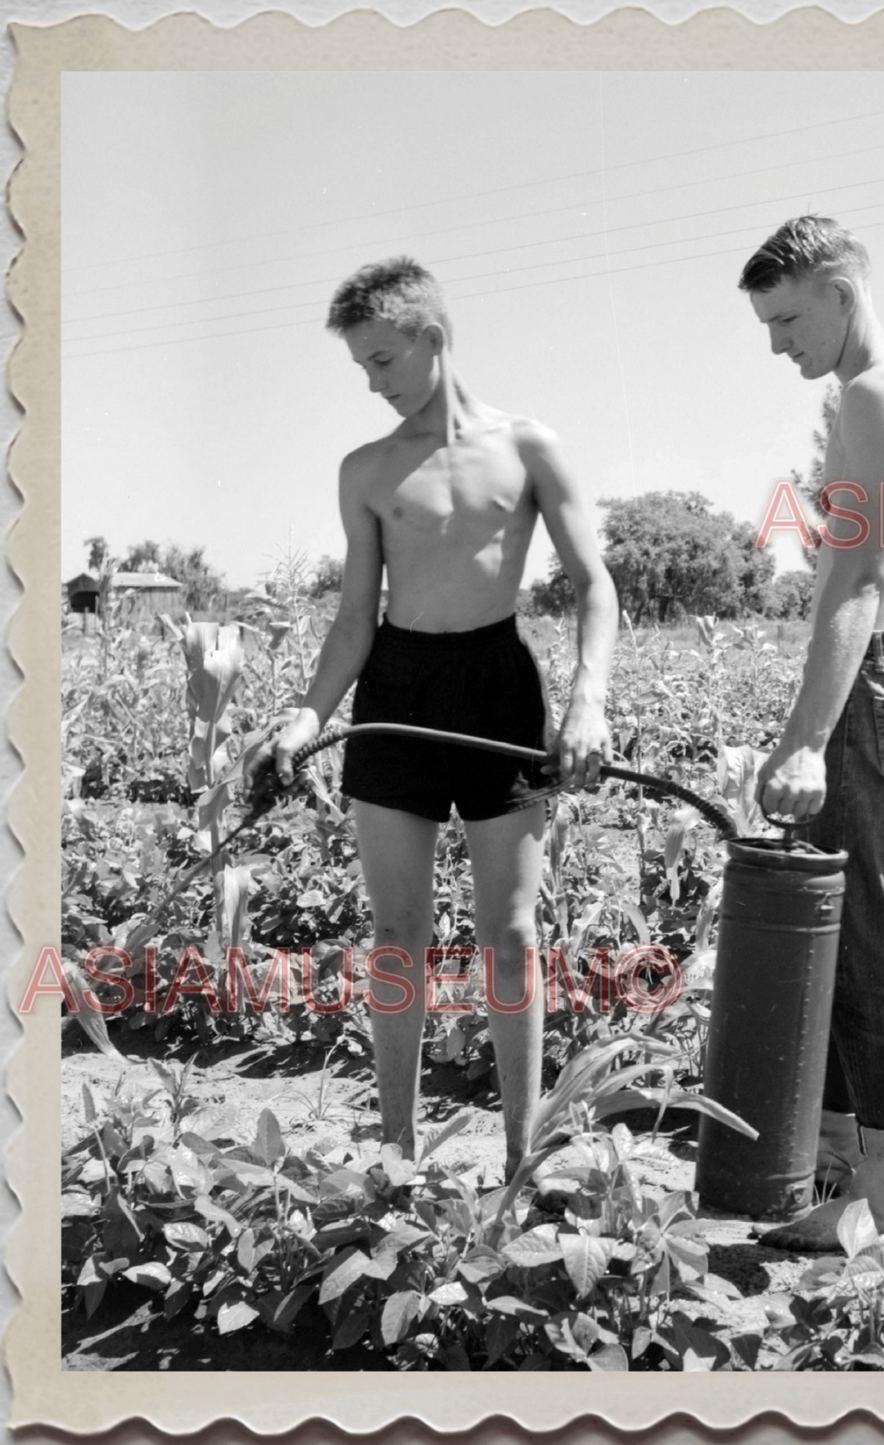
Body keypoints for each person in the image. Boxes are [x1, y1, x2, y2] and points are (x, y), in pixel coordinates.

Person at [250, 257, 617, 1180]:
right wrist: (304, 716)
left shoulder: (528, 446)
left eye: (382, 360)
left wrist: (589, 701)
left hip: (500, 688)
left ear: (432, 337)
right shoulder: (367, 470)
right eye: (362, 369)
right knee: (398, 928)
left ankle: (522, 1156)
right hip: (397, 697)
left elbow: (594, 585)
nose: (373, 385)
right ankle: (395, 1151)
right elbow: (351, 619)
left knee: (513, 930)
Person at [738, 217, 884, 1248]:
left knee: (870, 938)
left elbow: (858, 580)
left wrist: (797, 740)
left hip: (878, 680)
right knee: (852, 931)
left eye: (786, 318)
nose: (776, 345)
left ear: (838, 288)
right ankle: (853, 1187)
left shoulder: (874, 395)